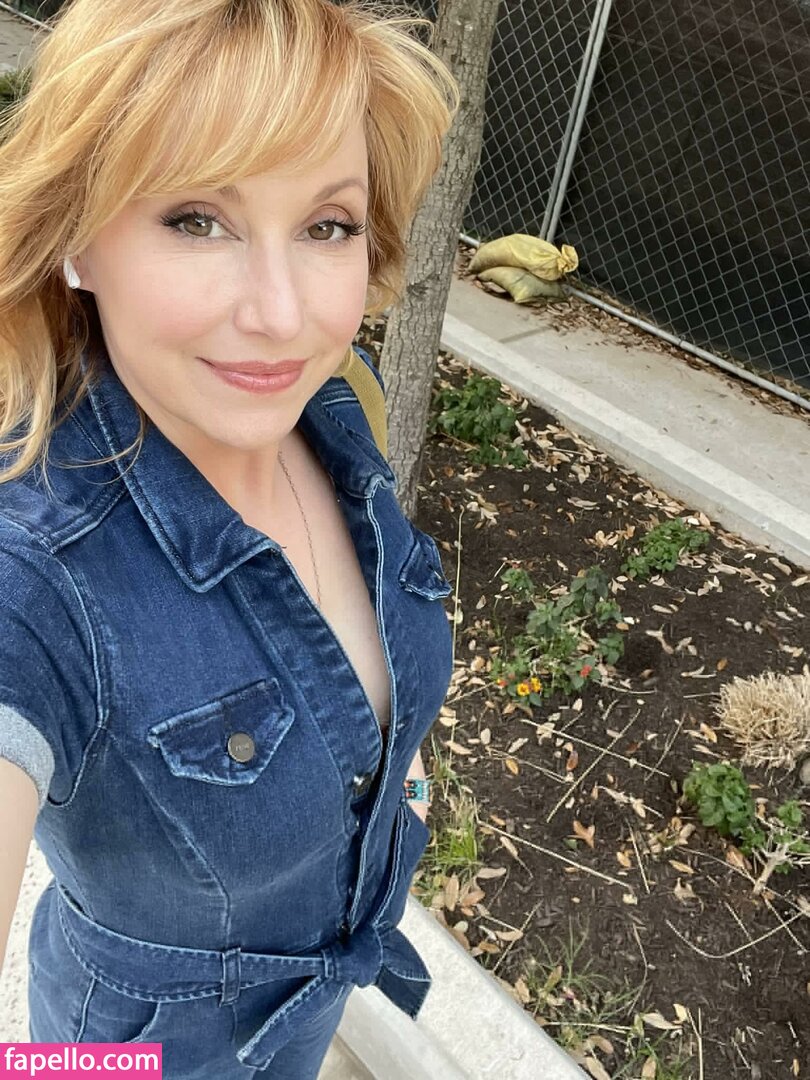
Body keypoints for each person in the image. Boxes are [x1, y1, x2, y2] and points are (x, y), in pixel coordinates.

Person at [0, 1, 459, 1075]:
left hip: (314, 1006)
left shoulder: (335, 405)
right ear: (74, 237)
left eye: (327, 226)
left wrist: (391, 778)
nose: (282, 315)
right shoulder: (34, 571)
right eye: (197, 218)